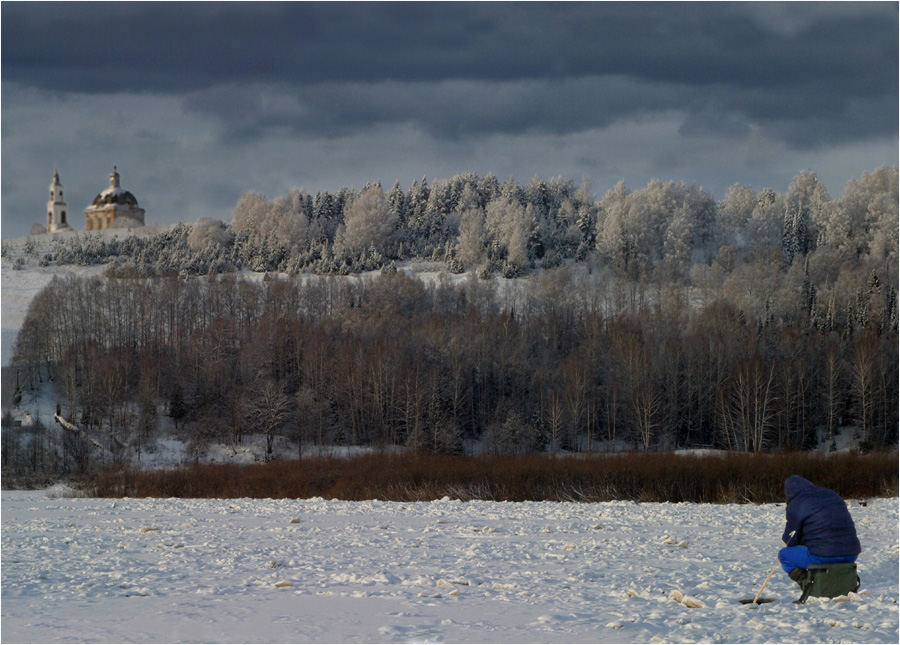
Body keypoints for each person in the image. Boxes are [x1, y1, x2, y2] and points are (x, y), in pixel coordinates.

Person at [778, 475, 861, 581]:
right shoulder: (831, 495)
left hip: (823, 556)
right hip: (851, 554)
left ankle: (808, 583)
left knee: (784, 555)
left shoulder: (797, 503)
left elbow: (791, 538)